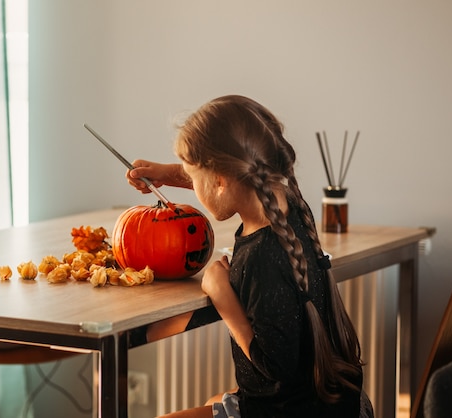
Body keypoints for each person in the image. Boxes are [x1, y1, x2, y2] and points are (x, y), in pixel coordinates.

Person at [125, 95, 373, 418]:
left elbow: (274, 366)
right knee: (217, 395)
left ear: (219, 181)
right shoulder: (289, 207)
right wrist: (165, 173)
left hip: (279, 411)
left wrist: (223, 296)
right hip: (334, 405)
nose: (192, 183)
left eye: (193, 175)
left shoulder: (261, 259)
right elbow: (226, 176)